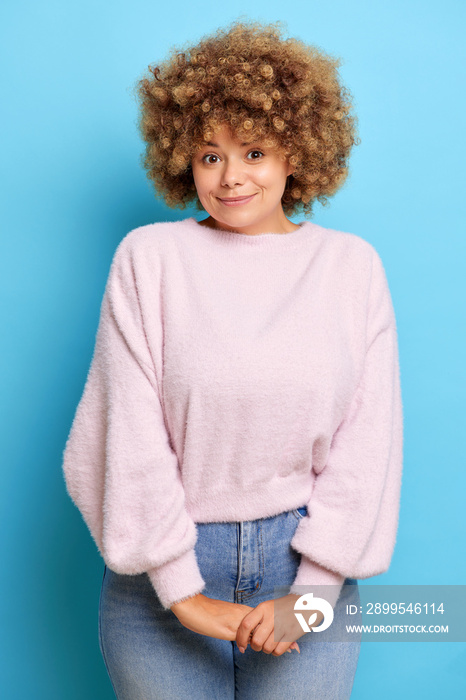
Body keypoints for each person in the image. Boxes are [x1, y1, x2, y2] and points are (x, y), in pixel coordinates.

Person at [62, 19, 403, 700]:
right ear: (181, 157)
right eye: (209, 155)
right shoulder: (149, 259)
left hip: (305, 565)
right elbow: (124, 431)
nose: (231, 177)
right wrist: (182, 592)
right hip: (161, 571)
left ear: (296, 154)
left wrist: (313, 595)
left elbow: (369, 446)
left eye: (254, 152)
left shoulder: (350, 268)